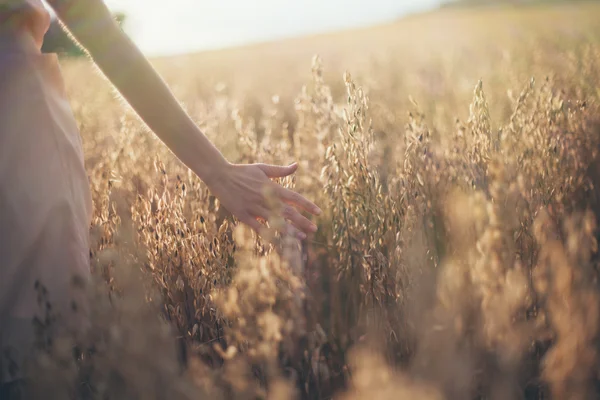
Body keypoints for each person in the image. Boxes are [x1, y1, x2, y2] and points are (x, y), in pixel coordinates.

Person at [0, 0, 321, 394]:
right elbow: (92, 24)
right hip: (18, 134)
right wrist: (216, 170)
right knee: (33, 357)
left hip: (18, 130)